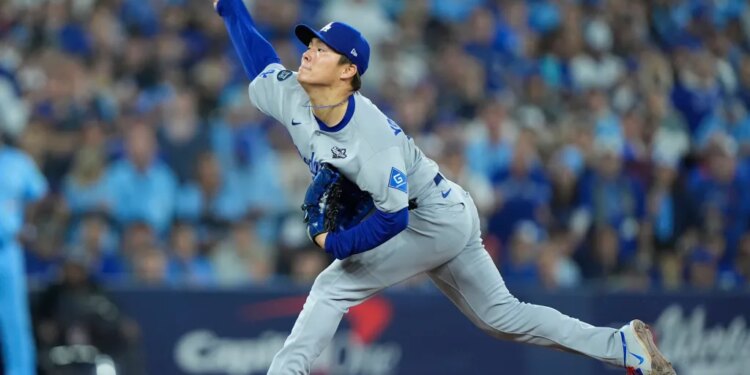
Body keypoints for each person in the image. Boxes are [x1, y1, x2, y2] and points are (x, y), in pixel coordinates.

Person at [212, 1, 676, 374]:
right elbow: (259, 61)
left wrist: (337, 242)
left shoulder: (368, 138)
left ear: (349, 71)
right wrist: (231, 7)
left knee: (332, 287)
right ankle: (622, 345)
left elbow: (393, 219)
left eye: (322, 49)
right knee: (503, 317)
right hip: (447, 207)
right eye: (310, 44)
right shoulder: (295, 95)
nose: (308, 52)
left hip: (427, 218)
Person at [0, 132, 48, 375]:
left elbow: (40, 194)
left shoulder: (17, 162)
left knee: (15, 321)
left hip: (7, 250)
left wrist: (27, 226)